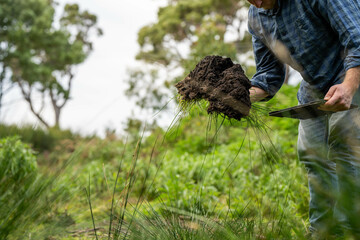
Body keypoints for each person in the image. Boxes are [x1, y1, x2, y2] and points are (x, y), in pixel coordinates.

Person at [246, 0, 360, 237]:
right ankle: (322, 231)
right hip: (314, 85)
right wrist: (236, 96)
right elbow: (268, 76)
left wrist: (348, 86)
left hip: (352, 72)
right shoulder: (256, 17)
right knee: (312, 154)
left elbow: (357, 39)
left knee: (345, 145)